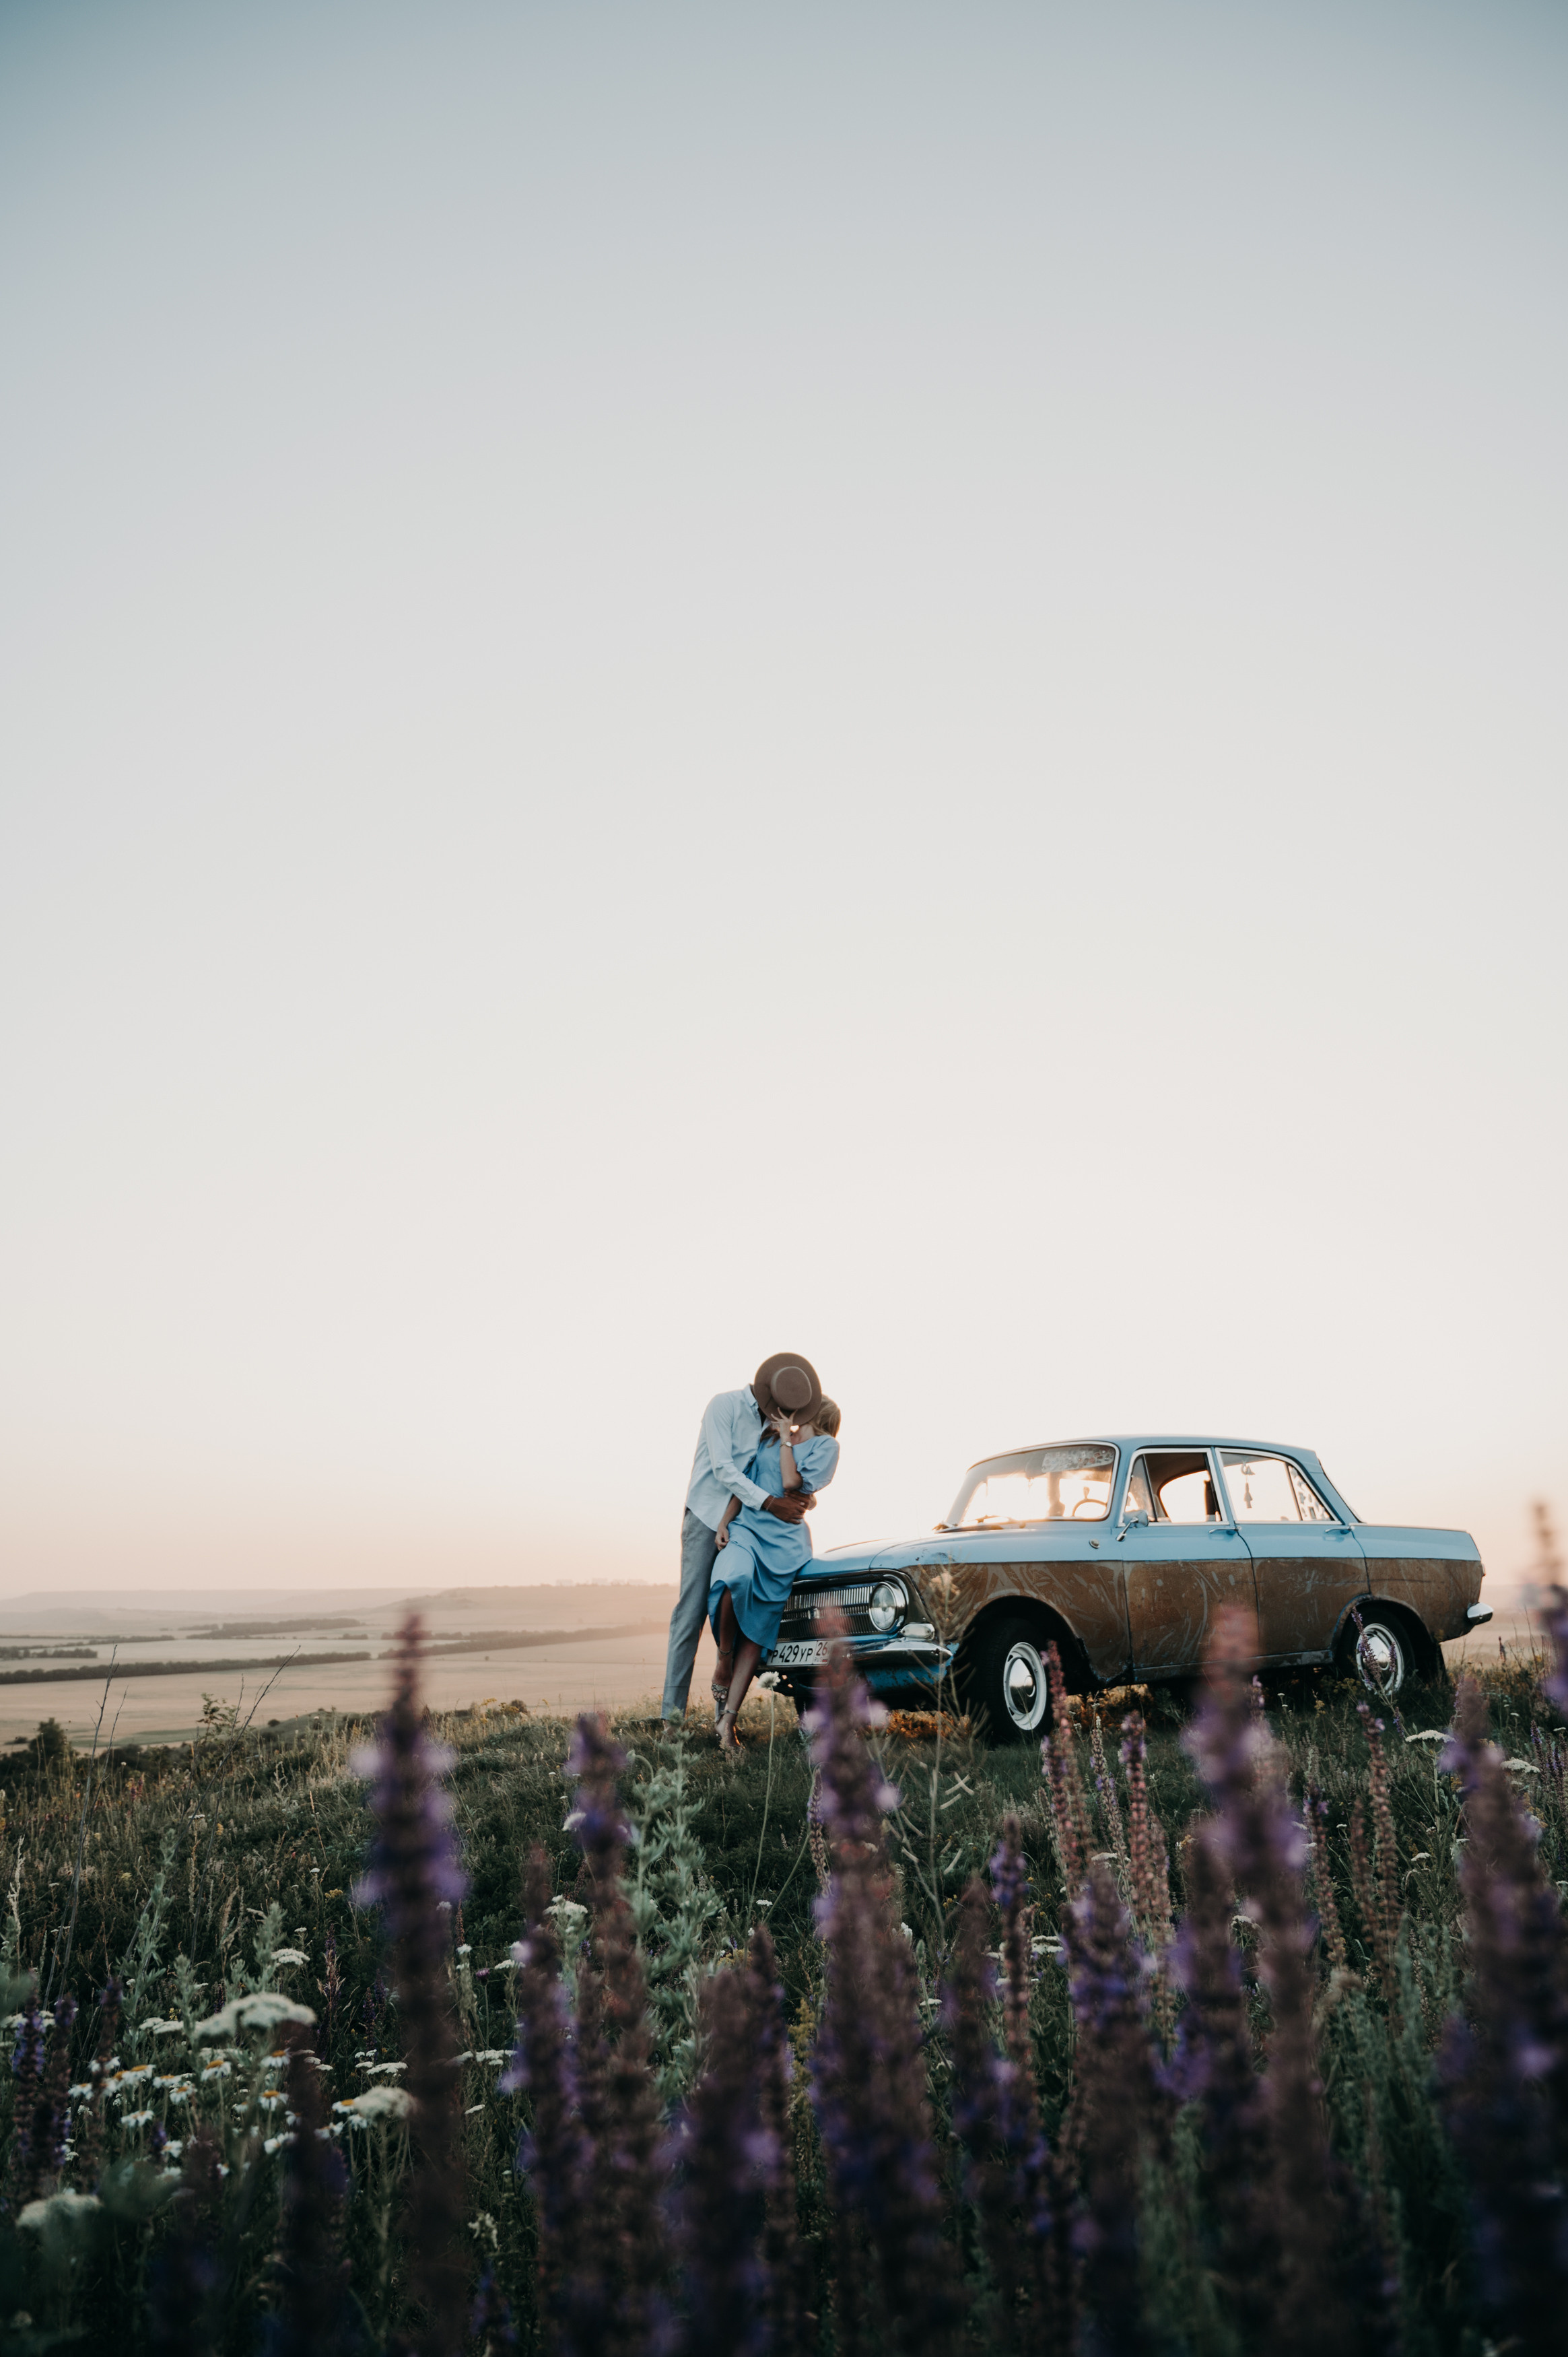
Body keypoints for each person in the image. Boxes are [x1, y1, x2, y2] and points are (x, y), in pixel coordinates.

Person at [660, 1354, 825, 1723]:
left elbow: (785, 1475)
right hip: (707, 1516)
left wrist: (803, 1500)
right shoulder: (724, 1405)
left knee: (735, 1605)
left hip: (751, 1526)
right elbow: (723, 1469)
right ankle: (671, 1720)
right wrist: (771, 1503)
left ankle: (723, 1720)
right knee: (690, 1614)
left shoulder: (777, 1428)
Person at [709, 1397, 841, 1755]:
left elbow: (789, 1483)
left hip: (785, 1544)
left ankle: (728, 1722)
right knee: (731, 1580)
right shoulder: (768, 1437)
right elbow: (744, 1483)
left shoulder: (827, 1446)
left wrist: (785, 1438)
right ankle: (723, 1658)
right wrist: (724, 1522)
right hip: (749, 1529)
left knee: (758, 1629)